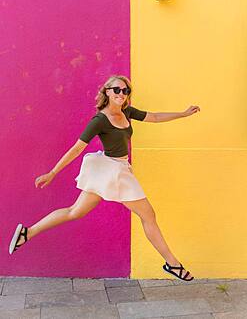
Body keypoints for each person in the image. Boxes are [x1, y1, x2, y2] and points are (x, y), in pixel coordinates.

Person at [9, 74, 200, 282]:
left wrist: (182, 114)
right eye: (117, 90)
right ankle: (172, 263)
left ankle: (27, 233)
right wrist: (53, 173)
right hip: (113, 171)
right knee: (148, 215)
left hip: (115, 169)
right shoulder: (99, 120)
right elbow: (77, 148)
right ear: (107, 92)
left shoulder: (126, 111)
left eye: (125, 91)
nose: (121, 94)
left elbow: (154, 116)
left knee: (75, 212)